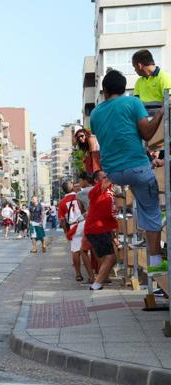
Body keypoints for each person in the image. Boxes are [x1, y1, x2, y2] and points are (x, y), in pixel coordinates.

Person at [90, 70, 165, 271]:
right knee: (152, 212)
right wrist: (159, 113)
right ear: (124, 89)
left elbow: (106, 135)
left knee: (140, 201)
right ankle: (156, 262)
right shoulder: (133, 103)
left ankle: (145, 219)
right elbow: (148, 134)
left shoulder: (96, 113)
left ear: (104, 90)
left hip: (114, 172)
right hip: (137, 168)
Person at [85, 171, 119, 290]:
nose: (107, 178)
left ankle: (100, 280)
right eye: (104, 177)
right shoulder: (96, 189)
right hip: (96, 228)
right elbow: (106, 183)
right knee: (110, 257)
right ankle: (97, 283)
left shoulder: (109, 190)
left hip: (103, 228)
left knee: (107, 258)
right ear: (96, 181)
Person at [58, 180, 95, 283]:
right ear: (72, 187)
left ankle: (78, 274)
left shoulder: (62, 202)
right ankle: (95, 273)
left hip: (74, 226)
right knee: (88, 250)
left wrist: (66, 232)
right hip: (85, 222)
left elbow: (62, 220)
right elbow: (85, 209)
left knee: (76, 251)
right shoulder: (80, 195)